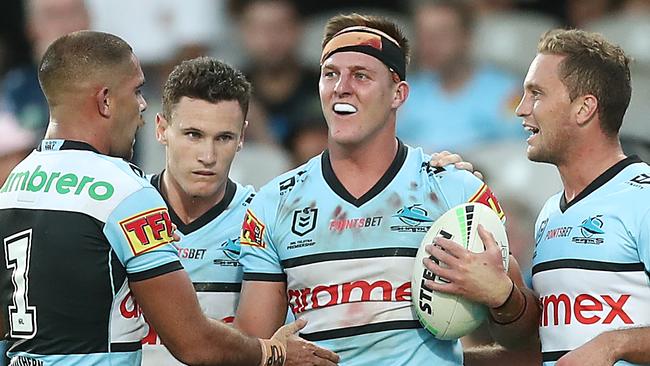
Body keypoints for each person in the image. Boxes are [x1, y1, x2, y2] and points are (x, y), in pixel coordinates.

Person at [0, 30, 327, 366]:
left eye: (224, 137)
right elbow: (193, 342)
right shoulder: (124, 192)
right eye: (137, 90)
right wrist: (274, 353)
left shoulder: (15, 184)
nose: (142, 103)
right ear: (105, 101)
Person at [234, 13, 532, 365]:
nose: (342, 86)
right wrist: (272, 355)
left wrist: (502, 296)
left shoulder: (457, 191)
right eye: (331, 74)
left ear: (398, 94)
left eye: (361, 75)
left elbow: (522, 336)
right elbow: (251, 342)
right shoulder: (274, 202)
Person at [428, 28, 650, 365]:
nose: (520, 109)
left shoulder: (643, 198)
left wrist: (613, 345)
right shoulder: (550, 213)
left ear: (584, 108)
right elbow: (544, 350)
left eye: (536, 94)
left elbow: (597, 348)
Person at [139, 56, 338, 366]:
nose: (208, 155)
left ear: (242, 137)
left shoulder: (266, 220)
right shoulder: (122, 214)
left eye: (224, 138)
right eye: (193, 134)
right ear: (162, 129)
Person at [396, 0, 524, 154]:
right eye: (423, 34)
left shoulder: (506, 92)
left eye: (441, 34)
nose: (429, 44)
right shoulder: (404, 93)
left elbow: (519, 153)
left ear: (466, 37)